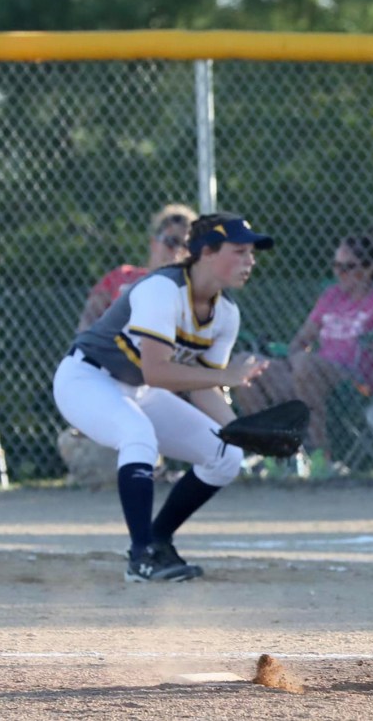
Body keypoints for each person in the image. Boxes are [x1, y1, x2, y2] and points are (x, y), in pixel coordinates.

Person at [52, 212, 273, 582]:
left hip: (138, 390)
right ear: (206, 252)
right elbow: (157, 371)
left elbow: (202, 387)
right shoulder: (162, 289)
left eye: (251, 252)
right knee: (138, 435)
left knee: (226, 456)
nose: (250, 260)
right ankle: (140, 558)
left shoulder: (226, 314)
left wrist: (243, 432)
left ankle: (158, 540)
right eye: (239, 251)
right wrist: (227, 377)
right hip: (85, 379)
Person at [233, 226, 373, 470]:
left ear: (369, 269)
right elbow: (302, 340)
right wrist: (287, 360)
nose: (339, 273)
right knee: (244, 364)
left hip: (353, 382)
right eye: (336, 266)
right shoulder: (331, 296)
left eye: (347, 267)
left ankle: (318, 455)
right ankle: (273, 451)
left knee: (306, 365)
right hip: (309, 377)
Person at [77, 203, 198, 332]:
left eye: (186, 246)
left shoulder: (189, 293)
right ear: (154, 243)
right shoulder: (123, 276)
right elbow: (88, 320)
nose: (178, 251)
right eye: (172, 241)